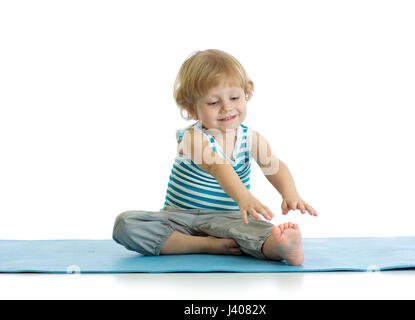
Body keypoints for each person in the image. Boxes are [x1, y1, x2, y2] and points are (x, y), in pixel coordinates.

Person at [112, 49, 318, 266]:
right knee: (126, 224)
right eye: (213, 102)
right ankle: (205, 244)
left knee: (256, 230)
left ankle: (281, 248)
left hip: (226, 218)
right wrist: (244, 198)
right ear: (192, 108)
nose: (227, 107)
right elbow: (217, 166)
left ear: (245, 94)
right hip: (179, 217)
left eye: (235, 98)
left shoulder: (251, 138)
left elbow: (273, 165)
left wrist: (290, 193)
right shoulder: (191, 138)